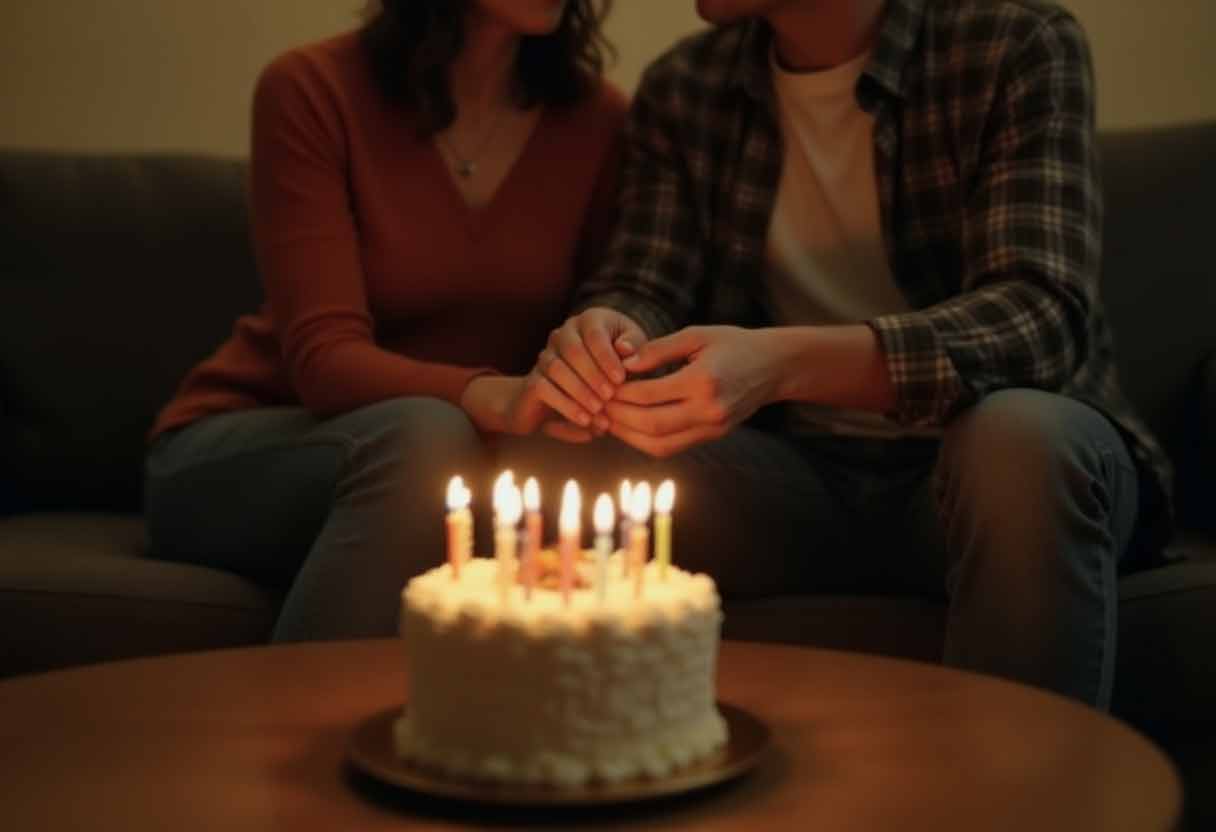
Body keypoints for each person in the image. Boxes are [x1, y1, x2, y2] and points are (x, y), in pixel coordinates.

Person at [501, 0, 1174, 710]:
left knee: (1022, 440)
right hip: (797, 480)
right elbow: (645, 280)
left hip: (977, 471)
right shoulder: (686, 86)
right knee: (571, 442)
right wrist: (606, 331)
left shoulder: (1014, 42)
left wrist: (782, 364)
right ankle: (587, 776)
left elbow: (1038, 314)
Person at [143, 0, 625, 642]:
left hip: (460, 464)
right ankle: (302, 737)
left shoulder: (600, 121)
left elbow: (596, 318)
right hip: (255, 442)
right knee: (423, 438)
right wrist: (492, 396)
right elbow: (324, 360)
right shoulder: (312, 89)